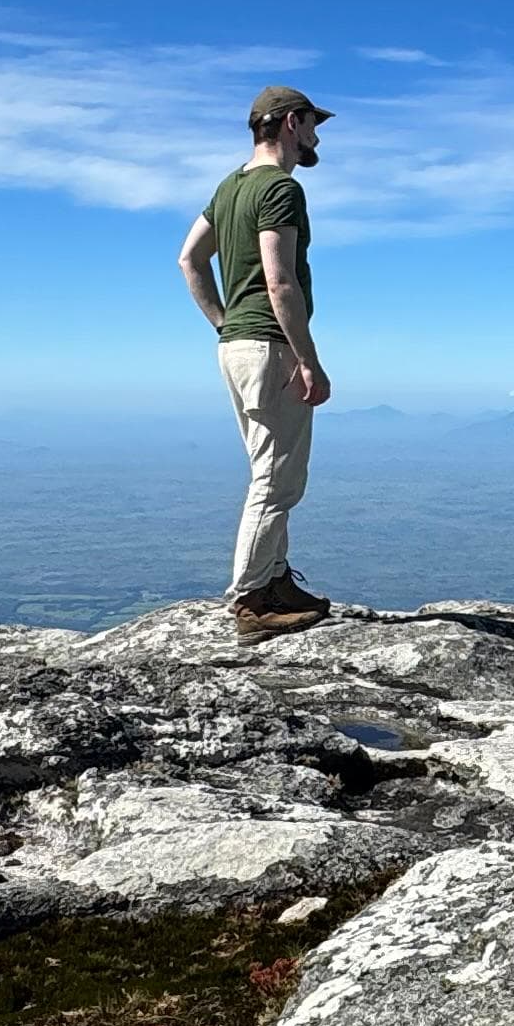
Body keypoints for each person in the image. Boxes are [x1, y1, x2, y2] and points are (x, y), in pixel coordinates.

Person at [180, 85, 335, 638]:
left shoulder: (230, 187)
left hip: (237, 348)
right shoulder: (280, 188)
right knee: (276, 479)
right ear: (291, 122)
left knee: (271, 468)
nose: (317, 137)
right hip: (271, 347)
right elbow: (279, 278)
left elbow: (189, 259)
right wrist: (308, 359)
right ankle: (251, 599)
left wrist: (225, 324)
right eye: (313, 124)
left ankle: (275, 580)